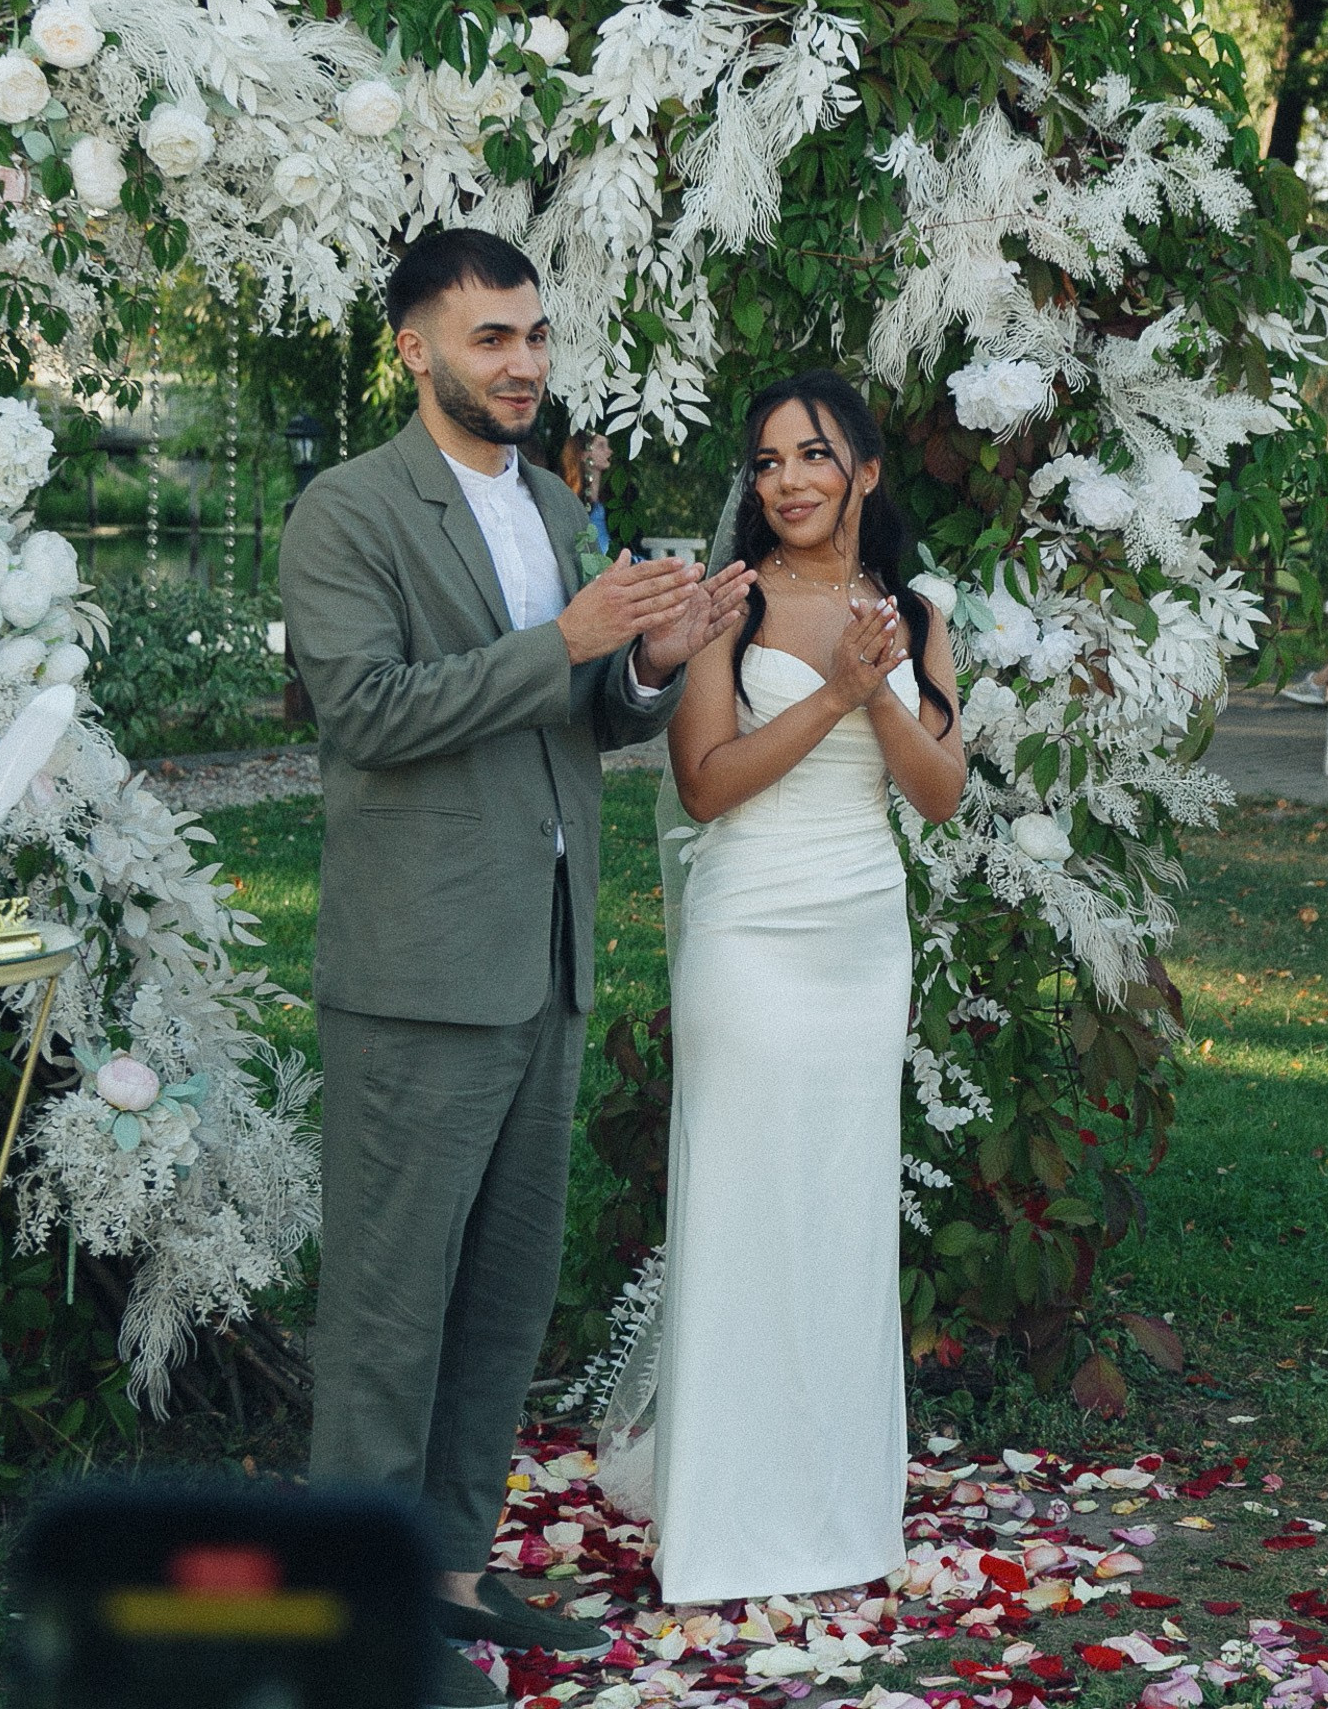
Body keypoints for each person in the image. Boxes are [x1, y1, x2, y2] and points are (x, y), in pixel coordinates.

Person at [280, 227, 751, 1709]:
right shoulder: (346, 511)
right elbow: (367, 713)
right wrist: (566, 637)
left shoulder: (559, 503)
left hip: (543, 959)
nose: (525, 363)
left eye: (535, 335)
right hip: (416, 968)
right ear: (416, 349)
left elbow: (585, 714)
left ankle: (452, 1574)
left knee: (500, 1295)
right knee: (384, 1309)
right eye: (492, 338)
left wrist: (659, 660)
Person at [636, 369, 964, 1605]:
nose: (789, 481)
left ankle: (835, 1509)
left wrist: (875, 683)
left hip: (860, 938)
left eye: (814, 456)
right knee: (740, 1203)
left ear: (866, 472)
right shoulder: (728, 604)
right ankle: (723, 1522)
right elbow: (706, 783)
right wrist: (833, 687)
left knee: (838, 1207)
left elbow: (937, 794)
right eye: (767, 461)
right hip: (749, 929)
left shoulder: (918, 614)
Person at [561, 429, 614, 560]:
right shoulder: (569, 499)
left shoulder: (610, 497)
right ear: (584, 454)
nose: (609, 451)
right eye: (601, 446)